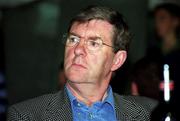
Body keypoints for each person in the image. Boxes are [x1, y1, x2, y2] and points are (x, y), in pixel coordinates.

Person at [7, 6, 157, 121]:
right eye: (73, 39)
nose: (78, 49)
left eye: (93, 43)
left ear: (117, 60)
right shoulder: (27, 115)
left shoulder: (150, 113)